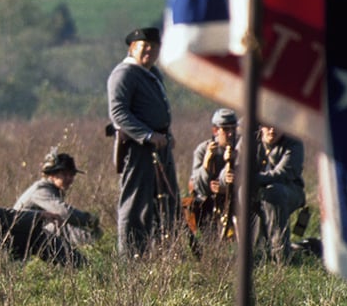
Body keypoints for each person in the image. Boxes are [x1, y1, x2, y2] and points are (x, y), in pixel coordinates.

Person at [107, 26, 180, 257]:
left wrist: (165, 134)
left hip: (159, 145)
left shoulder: (151, 73)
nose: (149, 51)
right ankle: (130, 257)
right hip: (138, 147)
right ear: (132, 48)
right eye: (144, 47)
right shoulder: (124, 74)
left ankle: (164, 253)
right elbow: (118, 113)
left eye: (154, 47)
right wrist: (148, 135)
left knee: (167, 201)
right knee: (136, 202)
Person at [13, 150, 101, 262]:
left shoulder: (51, 189)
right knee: (63, 226)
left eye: (72, 175)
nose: (69, 179)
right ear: (52, 175)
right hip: (20, 240)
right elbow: (64, 212)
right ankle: (90, 254)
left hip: (30, 237)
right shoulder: (41, 190)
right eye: (64, 174)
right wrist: (90, 220)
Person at [251, 125, 306, 262]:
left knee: (274, 193)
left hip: (290, 191)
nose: (272, 130)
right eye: (268, 126)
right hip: (257, 191)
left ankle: (280, 256)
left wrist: (252, 179)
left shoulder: (294, 142)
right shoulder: (250, 140)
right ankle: (256, 253)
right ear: (261, 126)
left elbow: (283, 173)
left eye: (276, 125)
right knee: (244, 193)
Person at [187, 108, 239, 236]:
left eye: (233, 129)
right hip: (210, 203)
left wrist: (226, 188)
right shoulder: (203, 150)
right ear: (215, 131)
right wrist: (207, 162)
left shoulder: (241, 148)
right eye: (226, 129)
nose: (231, 134)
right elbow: (197, 187)